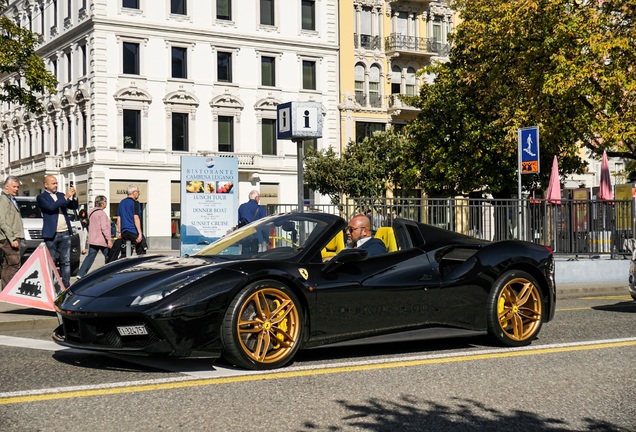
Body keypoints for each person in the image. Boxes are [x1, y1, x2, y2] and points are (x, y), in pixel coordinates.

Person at [36, 175, 78, 289]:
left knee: (66, 261)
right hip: (51, 234)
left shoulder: (60, 195)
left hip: (65, 232)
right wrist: (66, 197)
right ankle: (51, 285)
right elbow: (51, 207)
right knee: (51, 261)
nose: (56, 185)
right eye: (53, 183)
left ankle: (66, 285)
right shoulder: (41, 197)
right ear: (46, 185)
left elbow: (73, 206)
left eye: (56, 183)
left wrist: (73, 196)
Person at [76, 196, 112, 279]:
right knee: (109, 256)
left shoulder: (92, 212)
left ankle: (80, 274)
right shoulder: (102, 214)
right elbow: (104, 227)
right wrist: (109, 239)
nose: (106, 203)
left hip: (93, 239)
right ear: (102, 203)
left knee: (90, 257)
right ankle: (109, 272)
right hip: (102, 240)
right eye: (106, 202)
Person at [0, 176, 25, 290]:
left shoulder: (10, 198)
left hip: (11, 237)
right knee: (14, 264)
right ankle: (10, 290)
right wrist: (12, 238)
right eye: (14, 187)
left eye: (18, 187)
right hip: (9, 238)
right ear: (6, 187)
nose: (16, 189)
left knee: (7, 265)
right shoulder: (4, 199)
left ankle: (5, 291)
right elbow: (2, 220)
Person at [110, 184, 146, 261]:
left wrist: (119, 232)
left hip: (124, 232)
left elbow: (119, 218)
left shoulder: (122, 203)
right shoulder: (135, 203)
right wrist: (140, 234)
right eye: (138, 192)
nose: (139, 193)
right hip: (132, 230)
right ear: (134, 192)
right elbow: (136, 218)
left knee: (125, 254)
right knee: (141, 252)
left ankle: (119, 267)